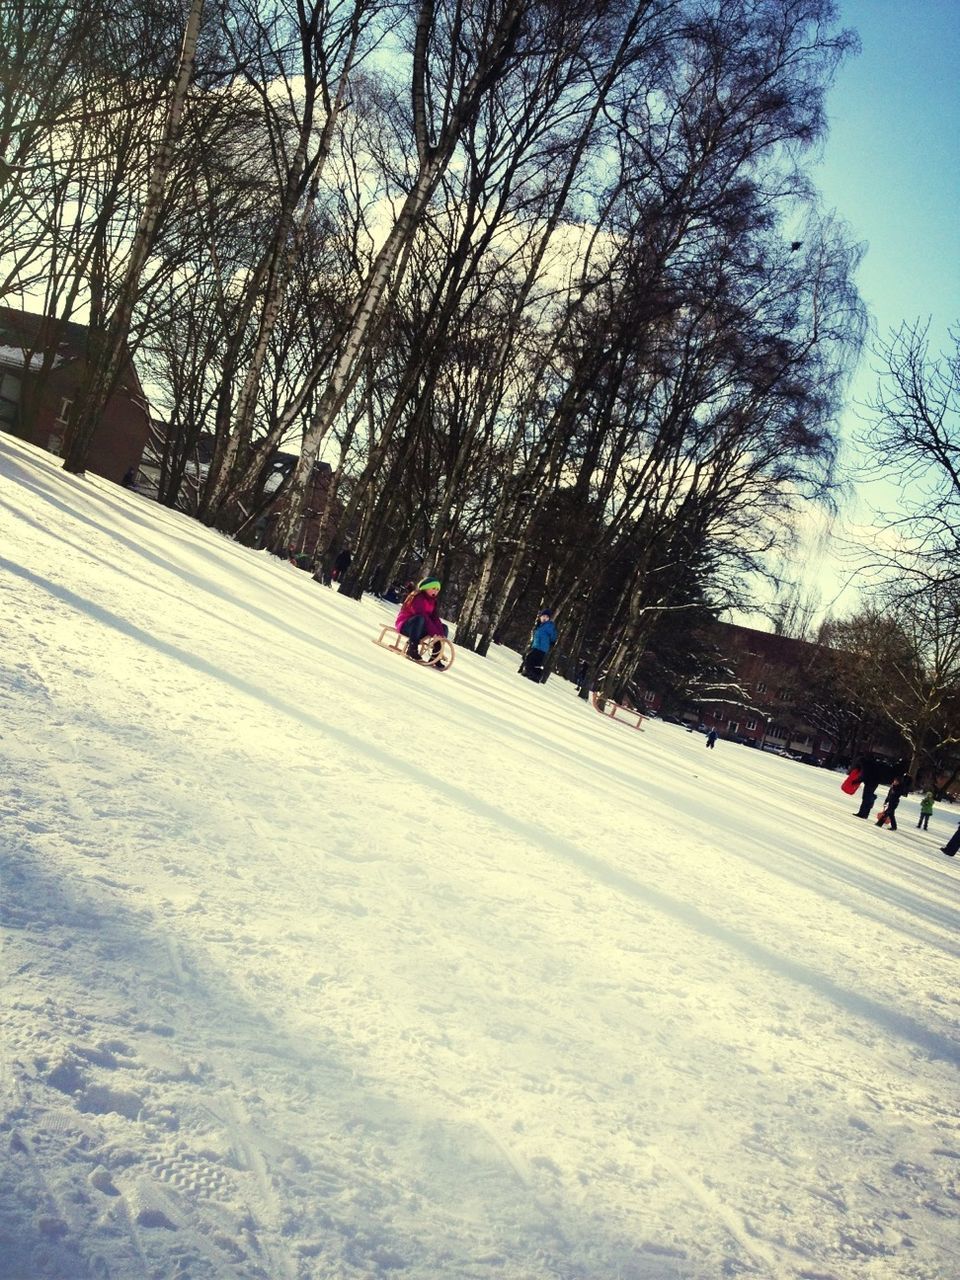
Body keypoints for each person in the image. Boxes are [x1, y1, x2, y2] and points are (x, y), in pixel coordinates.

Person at [395, 578, 447, 665]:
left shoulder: (433, 601)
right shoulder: (417, 597)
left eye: (438, 589)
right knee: (420, 618)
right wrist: (434, 632)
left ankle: (435, 657)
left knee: (443, 627)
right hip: (407, 626)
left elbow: (435, 618)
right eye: (433, 588)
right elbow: (422, 615)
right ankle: (412, 649)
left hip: (419, 628)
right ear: (426, 588)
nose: (436, 591)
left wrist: (440, 634)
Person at [520, 608, 558, 683]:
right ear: (540, 617)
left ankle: (536, 676)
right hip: (536, 645)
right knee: (530, 658)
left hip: (542, 647)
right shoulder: (539, 625)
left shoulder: (549, 626)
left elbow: (553, 636)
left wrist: (553, 641)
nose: (544, 618)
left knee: (535, 660)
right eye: (543, 616)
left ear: (549, 619)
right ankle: (529, 672)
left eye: (546, 617)